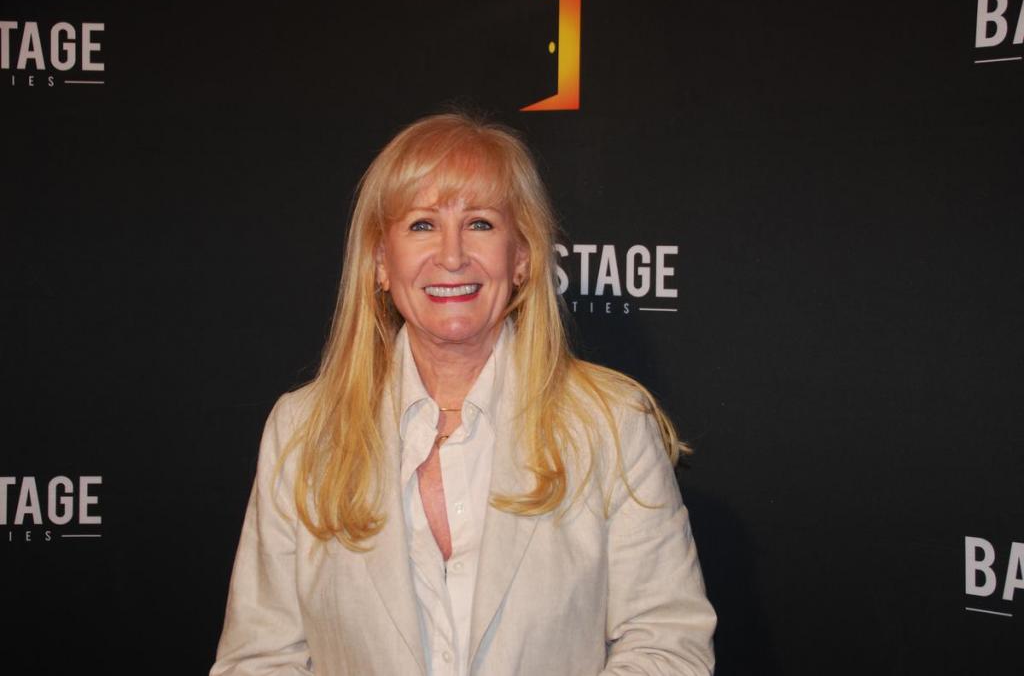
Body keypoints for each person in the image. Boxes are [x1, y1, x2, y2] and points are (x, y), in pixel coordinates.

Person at [211, 112, 716, 676]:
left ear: (521, 257)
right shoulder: (303, 431)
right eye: (422, 225)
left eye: (479, 223)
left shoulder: (611, 423)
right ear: (380, 261)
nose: (452, 257)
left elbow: (668, 646)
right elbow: (258, 659)